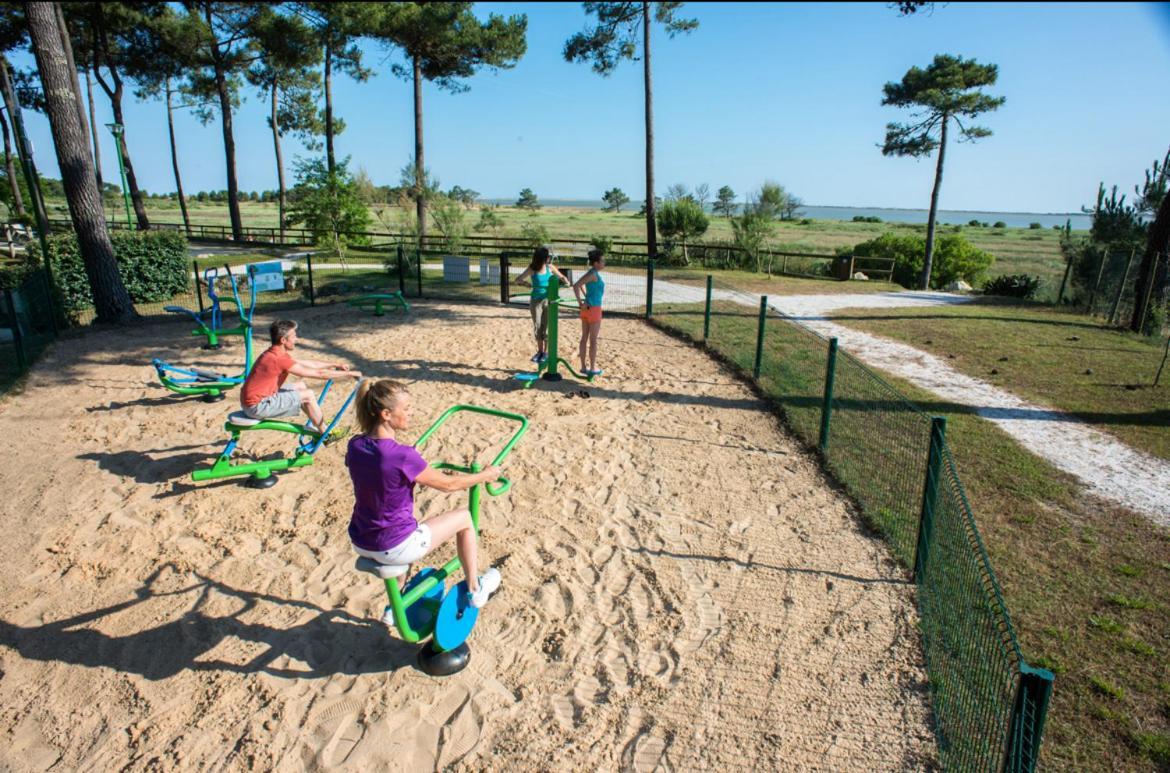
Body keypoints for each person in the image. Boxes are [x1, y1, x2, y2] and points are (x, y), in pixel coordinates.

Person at [346, 379, 502, 608]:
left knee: (409, 527)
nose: (411, 412)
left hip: (361, 538)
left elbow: (376, 470)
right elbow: (448, 485)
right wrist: (484, 476)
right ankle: (475, 590)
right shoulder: (402, 456)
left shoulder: (355, 444)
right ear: (386, 414)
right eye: (406, 409)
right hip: (393, 545)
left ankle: (394, 607)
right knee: (465, 518)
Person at [240, 319, 362, 432]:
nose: (296, 339)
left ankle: (317, 423)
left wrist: (336, 364)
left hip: (255, 401)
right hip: (257, 407)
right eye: (294, 336)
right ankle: (325, 432)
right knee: (308, 395)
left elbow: (308, 363)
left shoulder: (275, 353)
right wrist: (349, 373)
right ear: (283, 340)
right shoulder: (278, 359)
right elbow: (319, 374)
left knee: (300, 385)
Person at [515, 245, 571, 363]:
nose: (549, 259)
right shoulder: (532, 269)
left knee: (546, 326)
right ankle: (539, 351)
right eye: (547, 257)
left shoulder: (550, 267)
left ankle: (545, 352)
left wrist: (565, 281)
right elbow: (518, 280)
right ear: (542, 258)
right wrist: (527, 284)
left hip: (548, 300)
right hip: (536, 301)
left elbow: (562, 277)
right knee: (538, 326)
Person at [572, 248, 606, 376]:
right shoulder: (593, 274)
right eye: (602, 261)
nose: (604, 263)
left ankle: (583, 367)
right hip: (594, 309)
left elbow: (579, 285)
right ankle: (592, 368)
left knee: (584, 338)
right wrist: (580, 302)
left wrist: (583, 301)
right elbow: (576, 285)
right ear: (596, 263)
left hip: (586, 310)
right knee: (593, 340)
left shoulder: (591, 273)